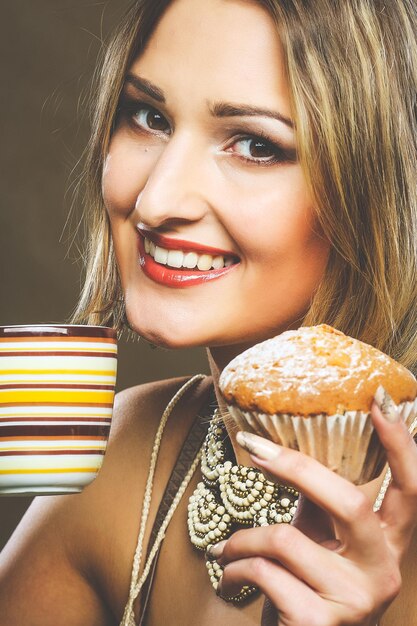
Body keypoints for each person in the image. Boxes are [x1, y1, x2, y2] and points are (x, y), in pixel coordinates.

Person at [1, 0, 416, 624]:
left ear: (376, 184)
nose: (156, 198)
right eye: (147, 115)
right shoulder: (121, 456)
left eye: (254, 144)